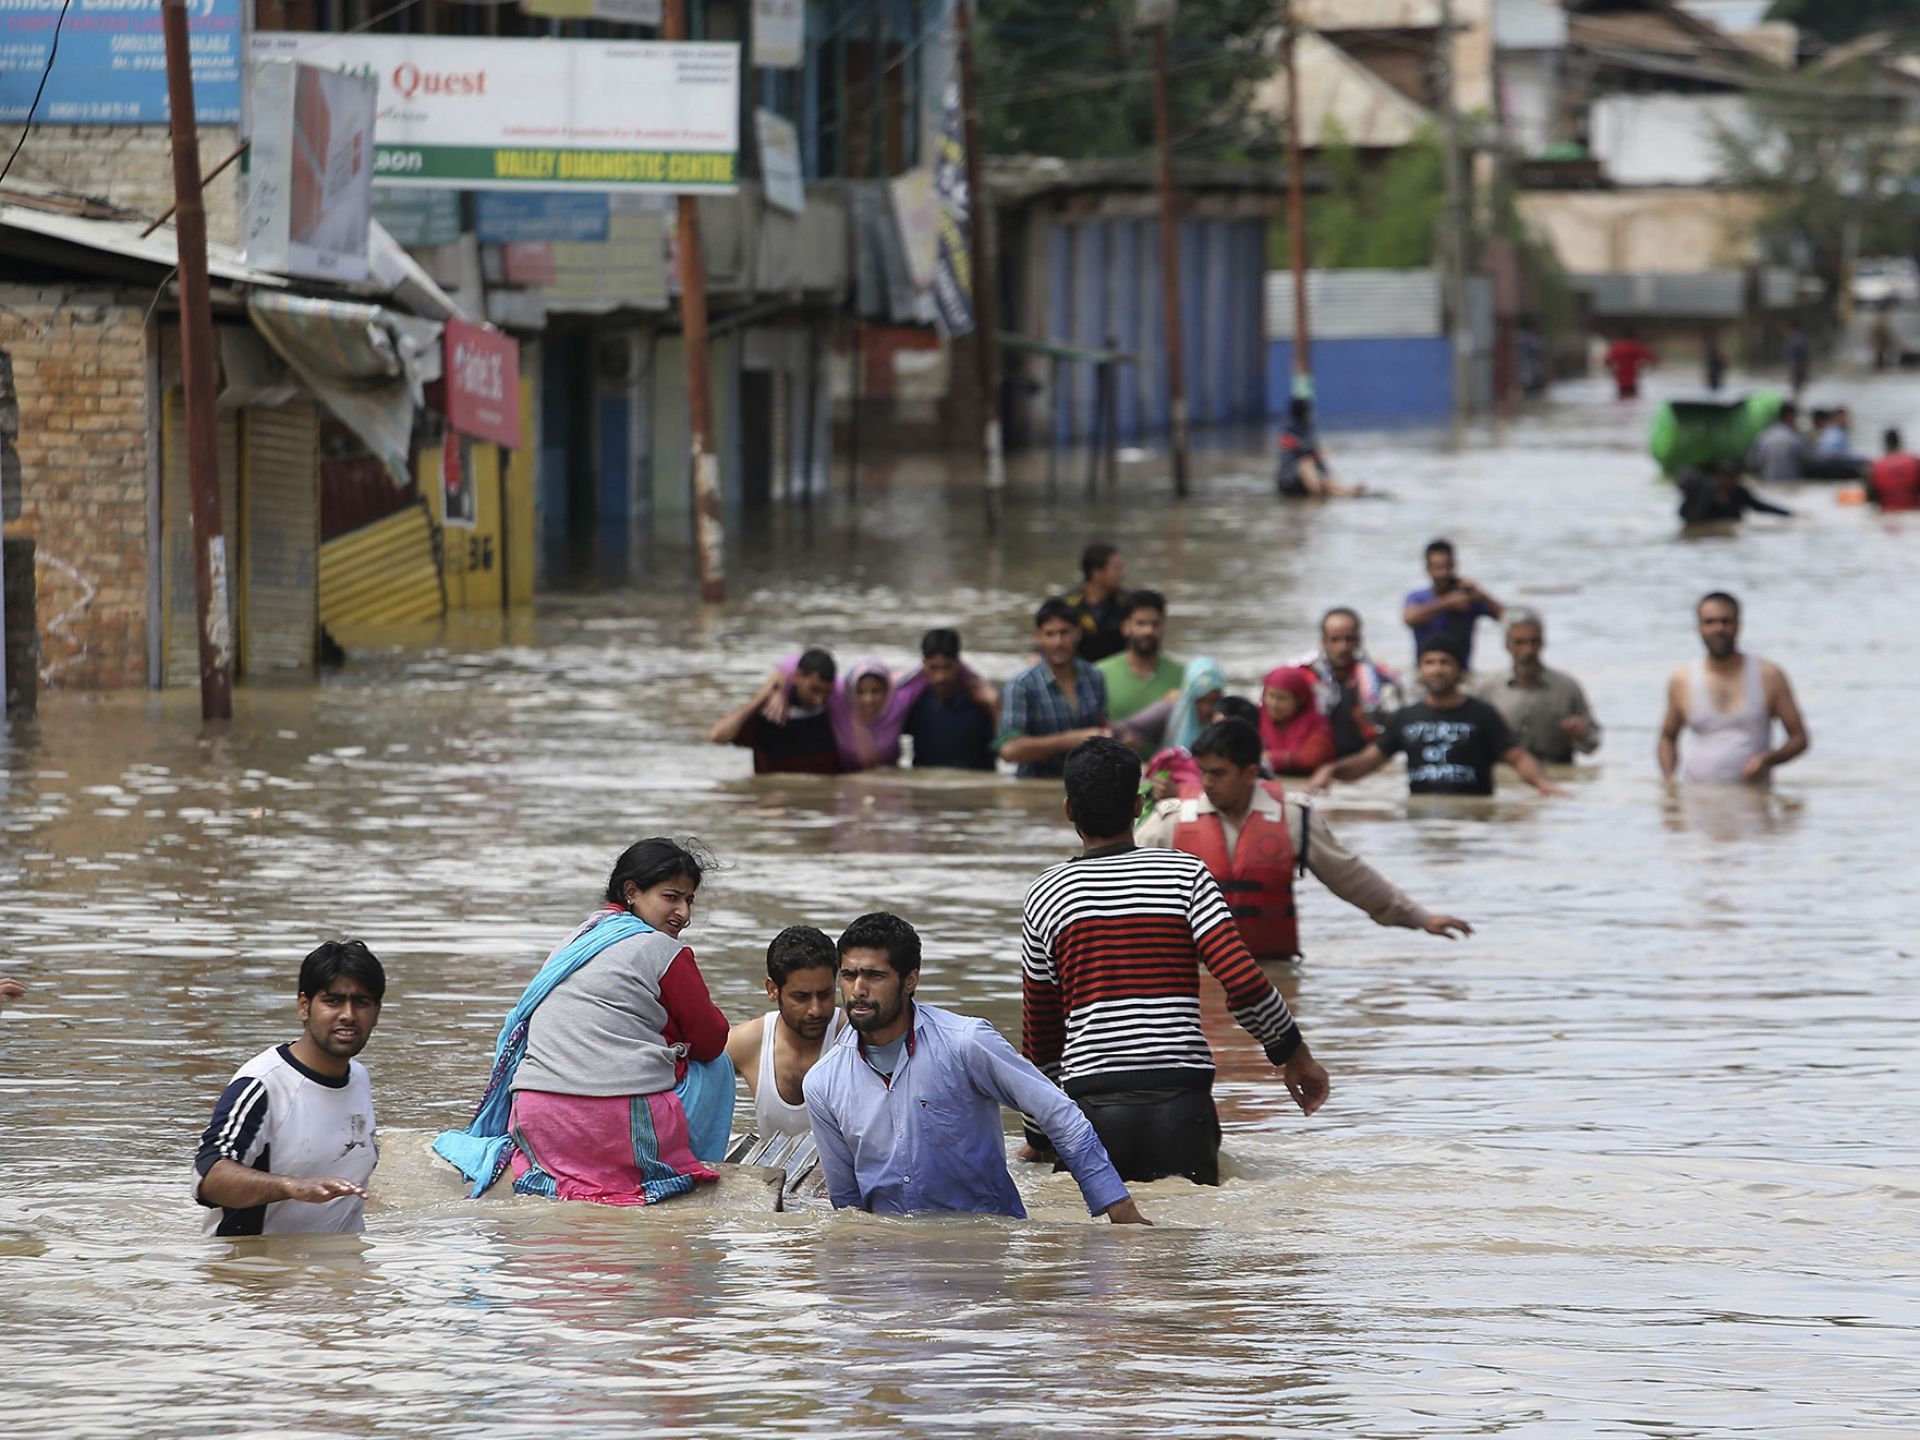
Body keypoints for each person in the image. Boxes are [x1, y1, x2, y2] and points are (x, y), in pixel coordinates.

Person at [1021, 737, 1331, 1186]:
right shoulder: (1185, 874)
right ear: (1138, 805)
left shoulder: (1046, 893)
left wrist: (1040, 1132)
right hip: (1182, 1105)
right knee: (1186, 1249)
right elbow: (1243, 982)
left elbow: (1042, 1030)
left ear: (1069, 810)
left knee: (1094, 1250)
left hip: (1093, 1113)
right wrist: (1294, 1055)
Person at [433, 839, 734, 1205]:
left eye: (689, 900)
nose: (683, 913)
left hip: (535, 1122)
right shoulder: (663, 950)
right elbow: (712, 1039)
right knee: (717, 1065)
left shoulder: (576, 938)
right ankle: (684, 1163)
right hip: (612, 1129)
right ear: (632, 892)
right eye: (671, 897)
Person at [803, 911, 1149, 1224]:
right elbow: (847, 1204)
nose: (858, 990)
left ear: (910, 980)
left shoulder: (966, 1043)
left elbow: (1058, 1114)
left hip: (987, 1247)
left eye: (874, 975)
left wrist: (1118, 1207)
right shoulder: (823, 1082)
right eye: (848, 975)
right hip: (889, 1257)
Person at [1137, 719, 1471, 962]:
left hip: (1274, 975)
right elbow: (1113, 870)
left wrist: (1422, 918)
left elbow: (1352, 878)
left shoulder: (1294, 818)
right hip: (1194, 976)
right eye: (1203, 771)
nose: (1207, 782)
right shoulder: (1173, 821)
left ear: (1251, 772)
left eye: (1219, 773)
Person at [193, 940, 385, 1237]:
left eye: (361, 1003)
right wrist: (290, 1186)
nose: (348, 1014)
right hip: (258, 1273)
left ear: (376, 1013)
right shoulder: (262, 1085)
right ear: (304, 1007)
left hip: (342, 1270)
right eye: (333, 1001)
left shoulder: (359, 1077)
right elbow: (209, 1177)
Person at [1310, 635, 1563, 798]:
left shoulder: (1482, 714)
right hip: (1422, 821)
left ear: (1460, 671)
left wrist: (1543, 785)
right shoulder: (1406, 717)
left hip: (1473, 823)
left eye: (1445, 662)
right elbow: (1368, 762)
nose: (1437, 669)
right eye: (1430, 663)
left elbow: (1517, 756)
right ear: (1420, 670)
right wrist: (1330, 770)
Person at [1658, 592, 1809, 785]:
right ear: (1699, 628)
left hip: (1752, 799)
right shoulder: (1683, 679)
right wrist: (1669, 782)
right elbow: (1667, 737)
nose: (1718, 628)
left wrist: (1767, 759)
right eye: (1710, 622)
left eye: (1725, 621)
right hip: (1696, 799)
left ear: (1739, 625)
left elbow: (1799, 738)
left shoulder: (1769, 675)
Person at [725, 925, 845, 1140]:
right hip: (775, 1173)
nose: (816, 1009)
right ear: (772, 990)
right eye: (801, 997)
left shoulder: (854, 1038)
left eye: (825, 994)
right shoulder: (745, 1044)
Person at [1471, 609, 1603, 764]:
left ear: (1543, 643)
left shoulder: (1566, 688)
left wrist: (1580, 733)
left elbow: (1592, 744)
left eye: (1534, 641)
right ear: (1507, 645)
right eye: (1519, 642)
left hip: (1555, 775)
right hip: (1506, 778)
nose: (1528, 650)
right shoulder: (1489, 688)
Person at [997, 598, 1109, 779]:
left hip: (1086, 786)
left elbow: (1103, 726)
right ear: (1038, 637)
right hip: (1036, 787)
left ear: (1078, 633)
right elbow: (1009, 749)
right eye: (1050, 634)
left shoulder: (1094, 676)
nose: (1058, 642)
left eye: (1064, 633)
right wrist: (1073, 739)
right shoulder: (1021, 686)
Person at [709, 649, 840, 774]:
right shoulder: (770, 713)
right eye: (814, 689)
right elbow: (718, 735)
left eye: (826, 692)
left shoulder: (835, 713)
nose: (819, 699)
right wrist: (763, 696)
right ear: (797, 677)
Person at [1298, 607, 1405, 759]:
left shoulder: (1383, 679)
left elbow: (1395, 733)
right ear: (1323, 642)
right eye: (1335, 640)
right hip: (1315, 759)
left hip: (1362, 762)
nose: (1343, 647)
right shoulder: (1302, 675)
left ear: (1359, 640)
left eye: (1349, 639)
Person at [902, 629, 999, 769]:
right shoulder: (913, 702)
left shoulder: (981, 700)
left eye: (947, 667)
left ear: (958, 663)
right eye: (933, 668)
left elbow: (1004, 749)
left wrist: (995, 707)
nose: (941, 677)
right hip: (926, 783)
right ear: (924, 665)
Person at [1403, 538, 1504, 672]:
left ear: (1455, 565)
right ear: (1428, 569)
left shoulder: (1469, 598)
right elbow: (1409, 618)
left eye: (1448, 567)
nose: (1444, 573)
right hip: (1425, 674)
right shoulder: (1418, 598)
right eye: (1438, 568)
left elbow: (1509, 619)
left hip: (1462, 673)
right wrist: (1448, 603)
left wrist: (1481, 595)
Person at [1095, 589, 1184, 727]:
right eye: (1141, 623)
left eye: (1155, 624)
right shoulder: (1099, 674)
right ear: (1125, 627)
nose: (1148, 631)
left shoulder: (1182, 676)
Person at [1276, 397, 1364, 498]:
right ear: (1306, 413)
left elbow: (1315, 457)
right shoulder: (1290, 434)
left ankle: (1346, 491)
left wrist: (1327, 475)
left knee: (1320, 476)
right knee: (1306, 463)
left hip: (1302, 480)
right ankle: (1318, 496)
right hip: (1289, 482)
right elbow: (1309, 455)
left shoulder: (1304, 431)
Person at [1258, 665, 1336, 776]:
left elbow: (1312, 759)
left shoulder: (1317, 723)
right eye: (1271, 695)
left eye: (1282, 698)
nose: (1274, 704)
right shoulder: (1256, 717)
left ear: (1300, 699)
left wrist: (1268, 758)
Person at [1062, 541, 1129, 663]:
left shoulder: (1128, 604)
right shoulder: (1067, 605)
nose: (1123, 574)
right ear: (1097, 573)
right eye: (1117, 569)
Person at [1677, 464, 1793, 524]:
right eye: (1728, 479)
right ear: (1719, 478)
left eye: (1734, 479)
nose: (1732, 482)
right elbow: (1692, 516)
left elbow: (1759, 506)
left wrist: (1789, 514)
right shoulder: (1704, 490)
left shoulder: (1738, 492)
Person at [1747, 402, 1810, 483]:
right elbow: (1811, 459)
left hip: (1768, 484)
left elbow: (1753, 462)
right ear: (1790, 416)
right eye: (1796, 417)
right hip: (1791, 486)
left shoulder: (1765, 436)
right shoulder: (1796, 438)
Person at [1867, 428, 1920, 511]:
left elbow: (1871, 499)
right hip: (1913, 511)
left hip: (1888, 513)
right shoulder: (1915, 462)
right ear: (1899, 443)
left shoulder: (1875, 466)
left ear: (1885, 444)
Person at [1603, 331, 1656, 399]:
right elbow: (1652, 358)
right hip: (1632, 379)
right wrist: (1642, 366)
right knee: (1632, 400)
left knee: (1621, 400)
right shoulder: (1636, 346)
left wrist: (1613, 369)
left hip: (1620, 380)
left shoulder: (1617, 347)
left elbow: (1606, 360)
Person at [1784, 322, 1809, 395]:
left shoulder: (1797, 342)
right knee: (1798, 391)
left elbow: (1797, 359)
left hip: (1797, 371)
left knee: (1797, 391)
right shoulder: (1798, 340)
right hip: (1799, 370)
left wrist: (1793, 372)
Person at [1703, 328, 1727, 392]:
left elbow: (1723, 366)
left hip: (1715, 382)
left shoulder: (1713, 356)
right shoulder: (1712, 356)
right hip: (1713, 382)